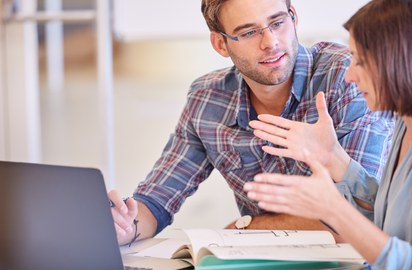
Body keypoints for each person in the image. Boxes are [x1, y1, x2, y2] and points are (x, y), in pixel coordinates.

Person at [109, 0, 395, 246]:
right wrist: (126, 227)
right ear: (220, 44)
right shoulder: (208, 100)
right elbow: (156, 201)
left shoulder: (347, 77)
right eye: (248, 32)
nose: (270, 42)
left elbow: (361, 219)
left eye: (278, 23)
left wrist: (245, 228)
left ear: (293, 17)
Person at [243, 0, 412, 269]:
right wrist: (333, 157)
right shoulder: (409, 124)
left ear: (399, 62)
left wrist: (334, 209)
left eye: (360, 61)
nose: (349, 76)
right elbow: (384, 220)